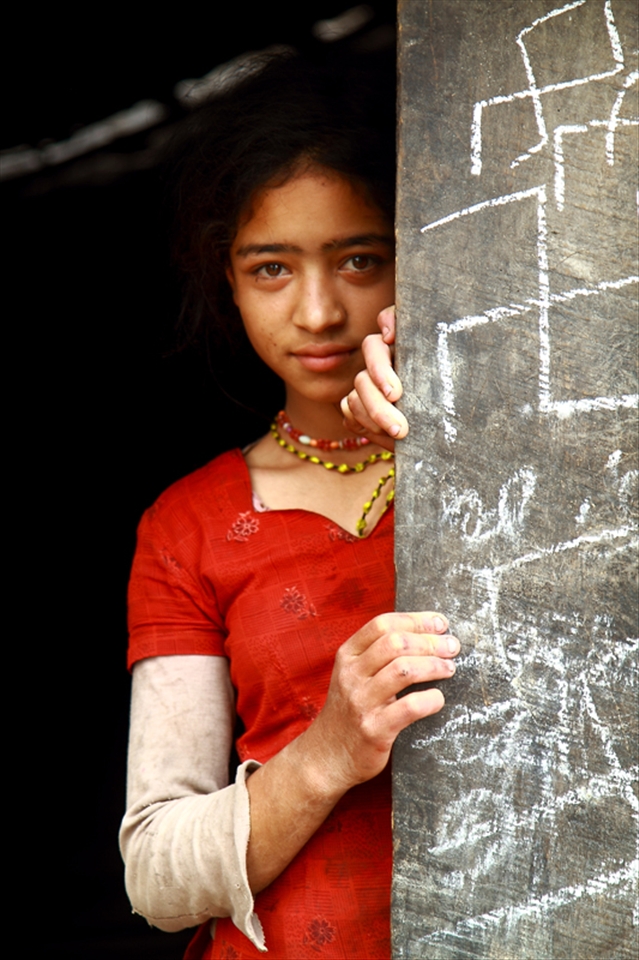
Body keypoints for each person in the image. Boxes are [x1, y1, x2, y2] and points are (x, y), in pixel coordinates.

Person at [120, 53, 459, 960]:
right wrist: (327, 752)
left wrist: (459, 435)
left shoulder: (537, 459)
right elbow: (154, 874)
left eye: (361, 259)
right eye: (271, 267)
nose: (317, 312)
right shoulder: (189, 525)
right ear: (224, 279)